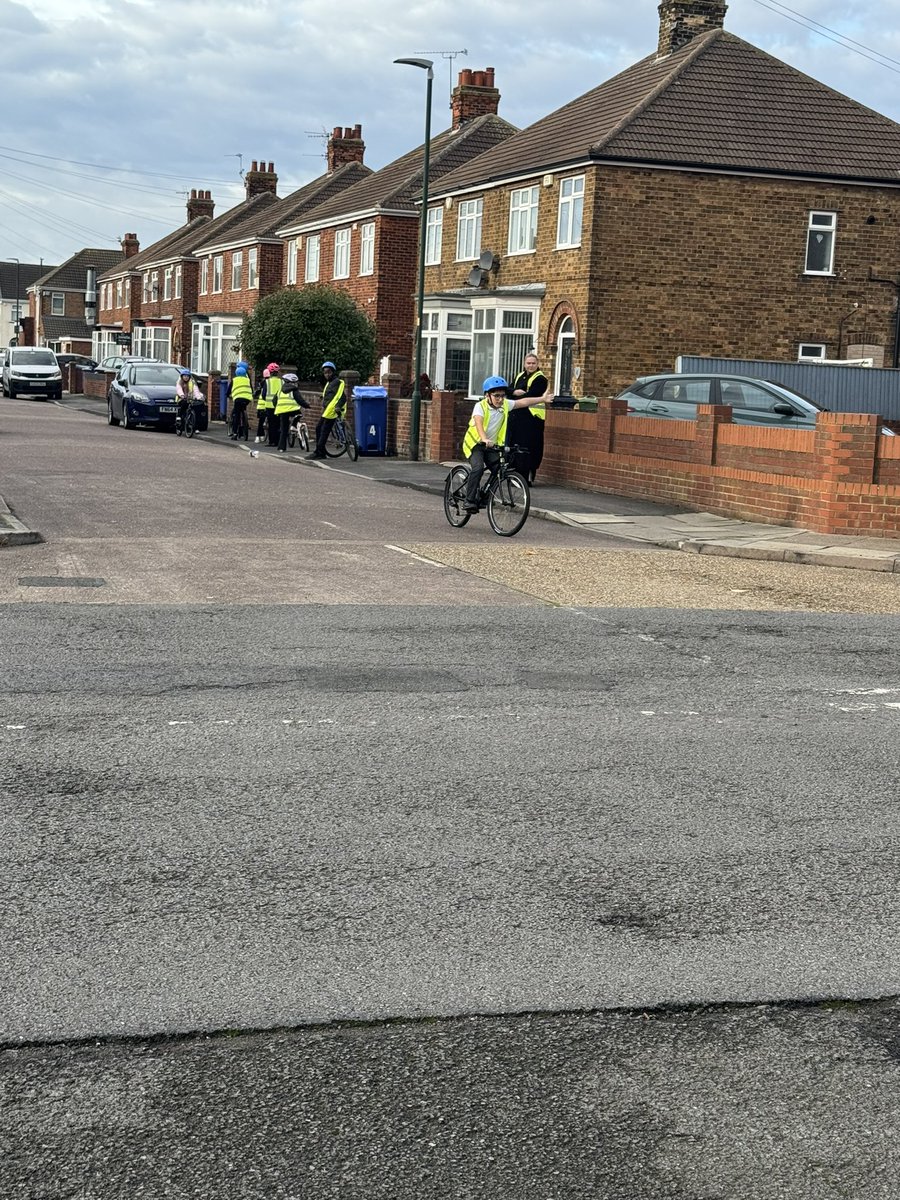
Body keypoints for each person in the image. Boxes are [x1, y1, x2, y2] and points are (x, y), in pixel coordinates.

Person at [461, 375, 552, 510]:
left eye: (503, 395)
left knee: (499, 469)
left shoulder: (505, 405)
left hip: (492, 446)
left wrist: (542, 399)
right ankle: (468, 500)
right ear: (488, 395)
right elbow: (479, 423)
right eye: (496, 396)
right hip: (475, 445)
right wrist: (484, 438)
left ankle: (485, 496)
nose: (500, 399)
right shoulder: (480, 406)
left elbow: (523, 402)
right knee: (478, 468)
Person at [507, 352, 549, 484]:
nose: (531, 366)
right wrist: (514, 392)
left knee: (529, 448)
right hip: (517, 417)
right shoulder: (520, 375)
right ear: (524, 364)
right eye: (528, 363)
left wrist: (514, 395)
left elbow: (531, 396)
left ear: (538, 364)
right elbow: (507, 389)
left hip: (532, 420)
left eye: (533, 363)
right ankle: (515, 476)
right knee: (515, 446)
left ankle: (527, 477)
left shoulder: (540, 379)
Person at [307, 361, 346, 460]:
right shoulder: (329, 383)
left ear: (333, 372)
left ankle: (319, 452)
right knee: (318, 428)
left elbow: (342, 397)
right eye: (325, 372)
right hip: (327, 411)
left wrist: (338, 406)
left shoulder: (338, 382)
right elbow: (329, 394)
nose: (327, 374)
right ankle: (321, 452)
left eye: (329, 372)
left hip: (332, 411)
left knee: (323, 432)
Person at [274, 372, 310, 452]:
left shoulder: (280, 390)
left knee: (284, 429)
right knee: (299, 415)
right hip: (293, 410)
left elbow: (274, 401)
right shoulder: (294, 390)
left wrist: (277, 407)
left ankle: (281, 448)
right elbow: (300, 400)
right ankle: (294, 425)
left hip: (282, 411)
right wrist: (307, 405)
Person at [254, 362, 281, 445]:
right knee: (278, 424)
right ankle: (278, 441)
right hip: (279, 405)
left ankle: (272, 442)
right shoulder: (281, 381)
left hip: (269, 406)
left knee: (272, 424)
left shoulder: (267, 382)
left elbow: (264, 394)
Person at [227, 361, 253, 441]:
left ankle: (235, 433)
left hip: (238, 399)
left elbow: (229, 390)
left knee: (237, 415)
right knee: (243, 410)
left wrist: (227, 395)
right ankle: (243, 428)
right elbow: (251, 388)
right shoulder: (247, 379)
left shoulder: (235, 379)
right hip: (247, 398)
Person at [175, 368, 203, 433]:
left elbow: (196, 390)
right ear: (182, 376)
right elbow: (179, 389)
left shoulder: (192, 382)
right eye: (184, 376)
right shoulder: (179, 382)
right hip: (181, 399)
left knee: (195, 411)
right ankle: (179, 416)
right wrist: (182, 395)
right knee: (184, 404)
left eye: (187, 376)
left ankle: (195, 428)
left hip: (190, 399)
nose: (186, 377)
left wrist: (198, 397)